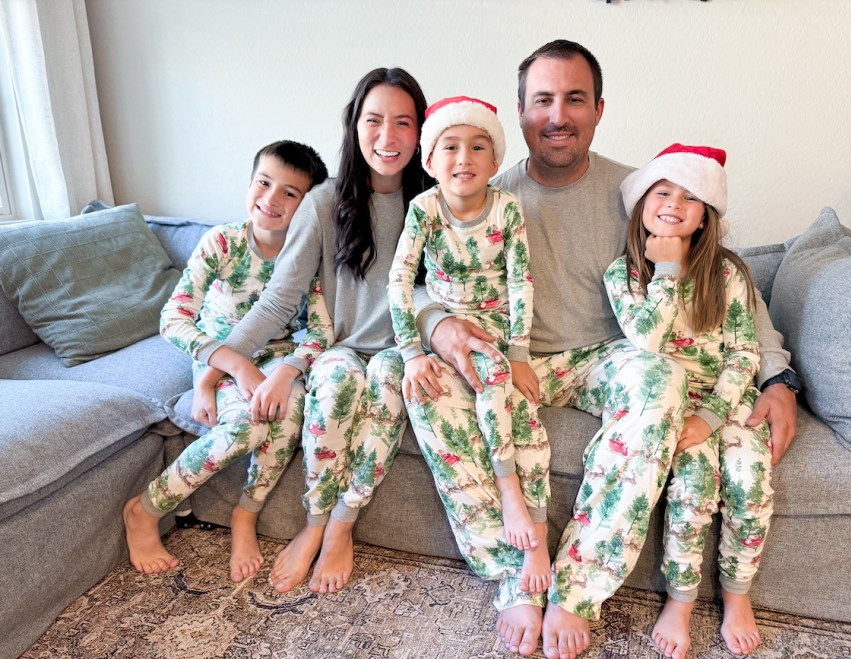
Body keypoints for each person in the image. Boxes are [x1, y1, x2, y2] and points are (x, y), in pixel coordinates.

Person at [410, 40, 798, 659]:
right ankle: (516, 574)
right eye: (543, 100)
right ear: (519, 111)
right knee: (424, 389)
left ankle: (576, 589)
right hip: (512, 360)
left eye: (574, 99)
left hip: (605, 357)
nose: (558, 115)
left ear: (598, 109)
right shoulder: (482, 193)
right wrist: (434, 325)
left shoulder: (638, 190)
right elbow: (418, 278)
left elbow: (721, 278)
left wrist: (779, 379)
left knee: (659, 376)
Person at [193, 67, 432, 595]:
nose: (387, 137)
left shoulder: (433, 202)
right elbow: (280, 298)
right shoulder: (324, 202)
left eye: (403, 123)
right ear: (354, 126)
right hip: (338, 346)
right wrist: (218, 365)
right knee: (337, 383)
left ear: (420, 132)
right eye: (373, 120)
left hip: (404, 349)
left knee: (392, 391)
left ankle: (340, 527)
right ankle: (315, 522)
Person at [123, 140, 328, 582]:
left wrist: (288, 369)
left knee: (288, 416)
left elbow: (321, 332)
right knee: (247, 427)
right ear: (250, 182)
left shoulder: (310, 257)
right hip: (218, 357)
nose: (271, 199)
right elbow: (173, 320)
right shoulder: (221, 242)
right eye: (264, 183)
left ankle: (245, 515)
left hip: (277, 360)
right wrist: (224, 371)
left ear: (307, 205)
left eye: (290, 193)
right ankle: (144, 509)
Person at [605, 144, 773, 659]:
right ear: (642, 203)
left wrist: (712, 416)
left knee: (750, 479)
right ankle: (680, 599)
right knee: (694, 481)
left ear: (705, 217)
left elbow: (745, 354)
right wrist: (668, 272)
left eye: (690, 196)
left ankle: (736, 595)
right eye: (663, 191)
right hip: (670, 401)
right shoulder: (625, 275)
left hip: (725, 402)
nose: (674, 203)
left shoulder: (729, 275)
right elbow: (648, 343)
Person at [389, 96, 551, 594]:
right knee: (455, 396)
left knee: (518, 403)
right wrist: (412, 351)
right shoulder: (424, 209)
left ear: (495, 162)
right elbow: (399, 280)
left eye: (478, 147)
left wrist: (520, 353)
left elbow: (521, 280)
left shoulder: (507, 207)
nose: (464, 158)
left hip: (496, 329)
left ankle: (533, 526)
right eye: (451, 147)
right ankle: (505, 511)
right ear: (430, 161)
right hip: (446, 331)